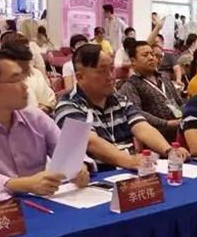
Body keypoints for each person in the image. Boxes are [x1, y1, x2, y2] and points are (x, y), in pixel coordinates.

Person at [0, 50, 88, 201]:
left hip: (43, 202)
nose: (25, 86)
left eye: (23, 77)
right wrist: (20, 184)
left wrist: (79, 167)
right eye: (15, 80)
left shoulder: (35, 116)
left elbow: (69, 152)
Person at [54, 44, 189, 170]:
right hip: (97, 177)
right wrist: (129, 161)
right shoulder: (68, 106)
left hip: (129, 172)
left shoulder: (120, 100)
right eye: (102, 71)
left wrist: (169, 151)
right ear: (80, 77)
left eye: (111, 69)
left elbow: (142, 128)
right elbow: (90, 142)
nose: (111, 77)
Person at [118, 41, 183, 142]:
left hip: (179, 130)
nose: (151, 58)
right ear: (133, 61)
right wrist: (166, 123)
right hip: (155, 137)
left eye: (152, 54)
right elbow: (136, 112)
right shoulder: (130, 85)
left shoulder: (164, 77)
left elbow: (179, 101)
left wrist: (185, 114)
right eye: (145, 55)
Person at [0, 41, 56, 113]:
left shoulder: (35, 73)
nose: (25, 73)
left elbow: (52, 101)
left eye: (27, 68)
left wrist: (47, 108)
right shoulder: (4, 83)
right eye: (21, 69)